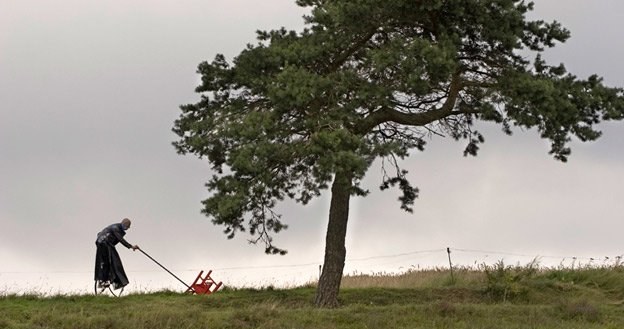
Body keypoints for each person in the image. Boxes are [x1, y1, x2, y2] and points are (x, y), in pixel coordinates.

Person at [94, 218, 139, 290]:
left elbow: (99, 233)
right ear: (125, 224)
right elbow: (120, 239)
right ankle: (107, 281)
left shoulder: (115, 227)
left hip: (101, 243)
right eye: (127, 226)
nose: (128, 228)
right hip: (105, 244)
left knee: (107, 262)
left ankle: (105, 280)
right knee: (113, 261)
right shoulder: (116, 228)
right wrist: (131, 246)